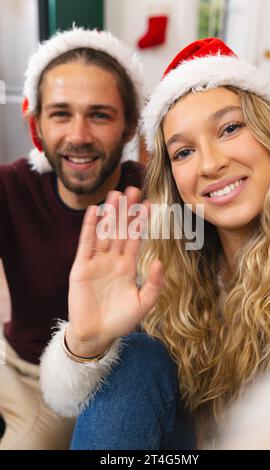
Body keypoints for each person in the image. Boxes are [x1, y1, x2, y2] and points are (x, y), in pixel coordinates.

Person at [40, 37, 270, 450]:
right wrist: (87, 343)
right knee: (134, 358)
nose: (211, 163)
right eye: (183, 152)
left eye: (230, 128)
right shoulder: (169, 265)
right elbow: (77, 399)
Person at [0, 27, 144, 450]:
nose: (78, 135)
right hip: (26, 375)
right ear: (37, 124)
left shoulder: (159, 199)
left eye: (99, 114)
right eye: (61, 113)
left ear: (129, 126)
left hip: (116, 382)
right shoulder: (10, 188)